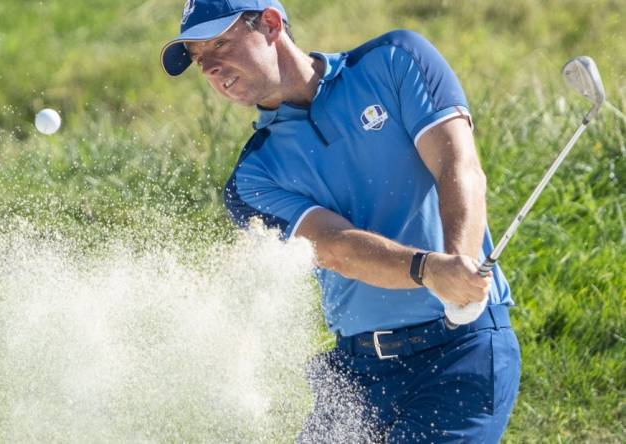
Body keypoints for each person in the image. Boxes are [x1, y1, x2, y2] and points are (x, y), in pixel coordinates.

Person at [161, 1, 520, 442]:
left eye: (220, 43)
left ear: (271, 24)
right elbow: (333, 246)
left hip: (459, 351)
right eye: (200, 59)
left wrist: (460, 266)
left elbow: (457, 165)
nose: (212, 67)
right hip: (356, 374)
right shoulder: (253, 177)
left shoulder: (393, 60)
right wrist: (429, 271)